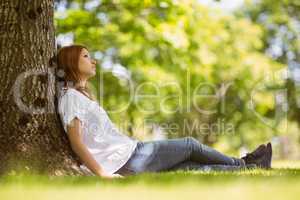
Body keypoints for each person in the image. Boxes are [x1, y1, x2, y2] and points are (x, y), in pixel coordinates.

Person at [55, 44, 272, 179]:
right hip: (127, 159)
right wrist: (102, 175)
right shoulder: (70, 98)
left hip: (128, 157)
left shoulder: (80, 96)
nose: (93, 60)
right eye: (85, 56)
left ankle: (253, 167)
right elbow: (77, 142)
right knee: (189, 145)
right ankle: (242, 163)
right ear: (71, 62)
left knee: (191, 168)